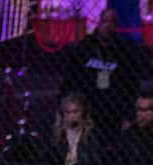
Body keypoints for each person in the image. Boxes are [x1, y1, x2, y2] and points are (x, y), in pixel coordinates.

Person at [60, 6, 140, 148]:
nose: (108, 26)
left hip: (113, 110)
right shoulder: (85, 47)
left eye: (112, 22)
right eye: (105, 21)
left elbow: (132, 85)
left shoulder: (123, 51)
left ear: (116, 26)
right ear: (99, 23)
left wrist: (128, 115)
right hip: (87, 107)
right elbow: (70, 77)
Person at [47, 93, 103, 165]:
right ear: (62, 114)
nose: (71, 116)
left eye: (75, 111)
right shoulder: (57, 134)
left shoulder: (92, 134)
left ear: (83, 112)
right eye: (67, 112)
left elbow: (96, 160)